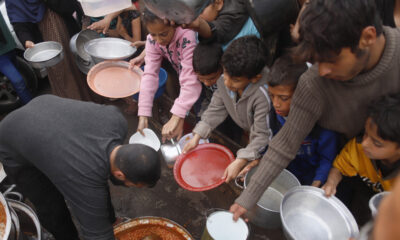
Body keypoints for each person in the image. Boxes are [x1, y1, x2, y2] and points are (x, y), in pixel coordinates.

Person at [230, 0, 400, 221]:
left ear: (367, 37)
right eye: (316, 61)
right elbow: (285, 144)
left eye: (331, 60)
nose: (323, 71)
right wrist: (247, 198)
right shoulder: (314, 83)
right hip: (340, 166)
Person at [0, 95, 162, 240]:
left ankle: (112, 221)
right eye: (133, 185)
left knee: (98, 180)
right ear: (120, 175)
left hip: (43, 108)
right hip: (12, 141)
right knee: (51, 206)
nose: (130, 187)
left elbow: (98, 184)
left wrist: (108, 221)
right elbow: (97, 235)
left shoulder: (117, 121)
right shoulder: (84, 175)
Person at [183, 36, 272, 182]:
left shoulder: (263, 96)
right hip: (253, 131)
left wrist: (240, 160)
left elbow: (263, 136)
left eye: (235, 80)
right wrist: (197, 136)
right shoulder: (227, 78)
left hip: (270, 138)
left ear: (255, 78)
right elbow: (216, 107)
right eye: (225, 75)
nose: (227, 83)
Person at [321, 94, 400, 223]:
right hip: (364, 196)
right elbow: (339, 168)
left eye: (377, 143)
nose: (365, 143)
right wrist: (331, 183)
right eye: (365, 134)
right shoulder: (358, 148)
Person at [266, 55, 337, 187]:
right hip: (285, 175)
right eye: (272, 95)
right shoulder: (273, 116)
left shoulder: (323, 125)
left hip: (312, 178)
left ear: (303, 94)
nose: (276, 104)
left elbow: (327, 159)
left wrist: (315, 186)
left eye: (284, 98)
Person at [133, 8, 202, 142]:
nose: (158, 40)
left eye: (163, 34)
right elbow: (150, 74)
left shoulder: (187, 36)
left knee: (202, 117)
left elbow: (190, 79)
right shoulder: (152, 40)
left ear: (174, 24)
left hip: (205, 81)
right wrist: (143, 113)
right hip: (186, 78)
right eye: (153, 34)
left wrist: (177, 115)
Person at [0, 14, 32, 104]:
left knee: (20, 78)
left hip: (9, 46)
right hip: (1, 55)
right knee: (18, 81)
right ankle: (31, 107)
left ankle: (26, 101)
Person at [192, 41, 223, 117]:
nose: (207, 83)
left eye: (212, 78)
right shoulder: (196, 77)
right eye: (201, 78)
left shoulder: (230, 82)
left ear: (222, 69)